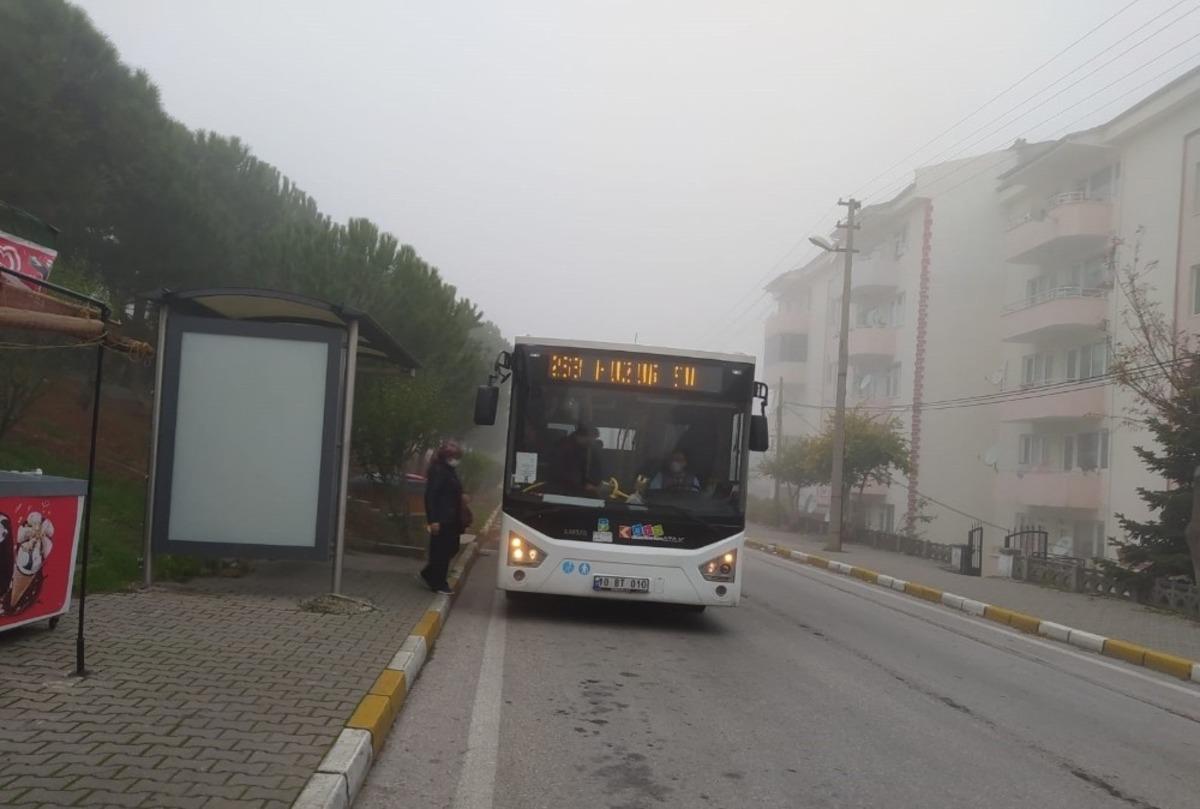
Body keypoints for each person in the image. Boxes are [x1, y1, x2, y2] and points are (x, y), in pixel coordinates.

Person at [422, 440, 468, 594]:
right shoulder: (438, 470)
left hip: (452, 518)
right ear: (447, 457)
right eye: (454, 456)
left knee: (451, 548)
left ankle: (429, 573)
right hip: (442, 518)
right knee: (441, 552)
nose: (457, 460)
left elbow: (452, 491)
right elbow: (431, 495)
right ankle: (438, 583)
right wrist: (433, 520)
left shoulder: (449, 471)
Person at [548, 424, 606, 496]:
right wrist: (585, 486)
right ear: (584, 436)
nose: (592, 442)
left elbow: (583, 471)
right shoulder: (564, 447)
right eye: (592, 438)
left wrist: (593, 483)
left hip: (574, 491)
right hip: (562, 494)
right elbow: (561, 472)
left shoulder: (583, 448)